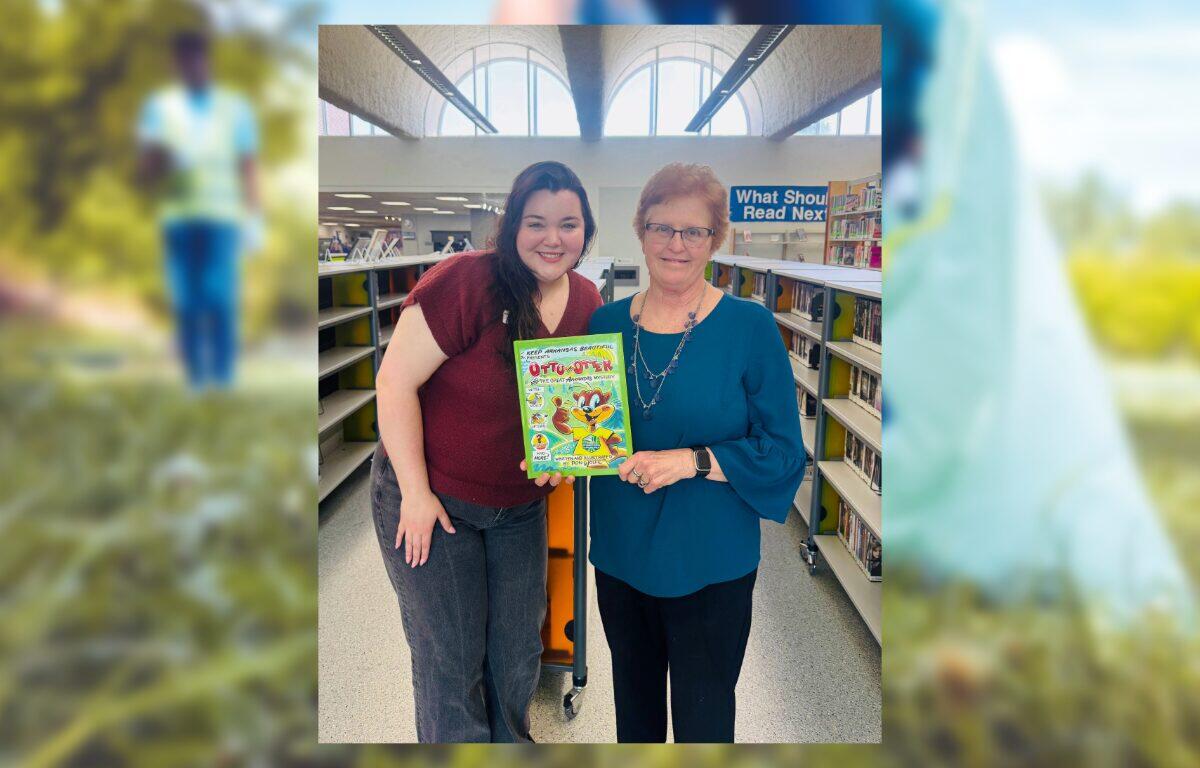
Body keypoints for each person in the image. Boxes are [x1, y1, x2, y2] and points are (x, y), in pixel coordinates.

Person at [370, 161, 604, 743]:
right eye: (537, 222)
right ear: (512, 227)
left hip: (517, 507)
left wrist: (563, 460)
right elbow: (394, 384)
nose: (554, 238)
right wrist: (417, 496)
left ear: (586, 231)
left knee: (517, 655)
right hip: (432, 496)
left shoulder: (586, 302)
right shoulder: (466, 281)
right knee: (451, 661)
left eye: (569, 224)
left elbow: (572, 408)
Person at [588, 163, 806, 743]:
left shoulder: (749, 328)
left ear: (717, 239)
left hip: (711, 564)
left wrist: (692, 460)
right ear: (640, 230)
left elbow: (784, 453)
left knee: (704, 724)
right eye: (662, 228)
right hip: (620, 555)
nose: (676, 245)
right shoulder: (604, 323)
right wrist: (556, 458)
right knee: (633, 717)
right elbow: (585, 432)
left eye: (694, 232)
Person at [137, 28, 260, 390]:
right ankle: (194, 379)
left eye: (197, 59)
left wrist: (253, 218)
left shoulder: (234, 108)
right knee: (186, 300)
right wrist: (162, 159)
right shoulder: (160, 108)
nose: (191, 67)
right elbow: (147, 166)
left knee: (220, 297)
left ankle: (221, 378)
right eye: (183, 61)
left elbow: (247, 164)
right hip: (177, 219)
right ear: (175, 64)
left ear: (207, 61)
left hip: (222, 218)